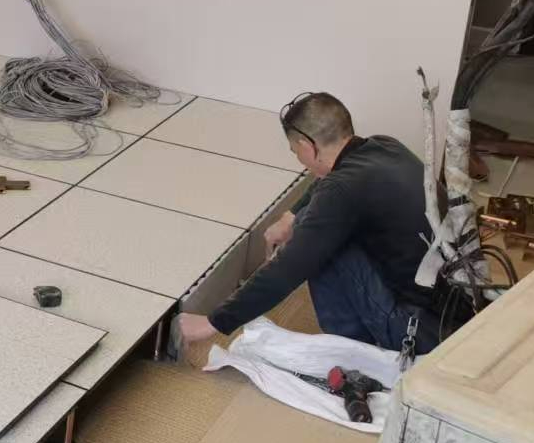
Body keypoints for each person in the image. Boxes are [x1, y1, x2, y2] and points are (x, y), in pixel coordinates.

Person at [174, 91, 448, 355]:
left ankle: (353, 353)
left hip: (417, 331)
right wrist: (289, 216)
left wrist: (212, 322)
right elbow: (327, 181)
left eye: (295, 151)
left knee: (316, 243)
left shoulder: (341, 189)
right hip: (452, 315)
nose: (300, 160)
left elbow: (289, 268)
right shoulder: (385, 146)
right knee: (314, 222)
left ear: (307, 146)